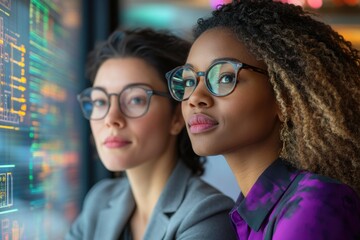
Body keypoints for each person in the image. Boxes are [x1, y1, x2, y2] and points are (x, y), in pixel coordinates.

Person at [166, 0, 360, 239]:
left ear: (284, 98)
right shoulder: (246, 213)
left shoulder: (311, 205)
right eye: (188, 81)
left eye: (225, 78)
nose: (195, 97)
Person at [66, 28, 237, 240]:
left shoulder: (206, 215)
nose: (111, 118)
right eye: (100, 101)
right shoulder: (100, 200)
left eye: (135, 99)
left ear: (176, 116)